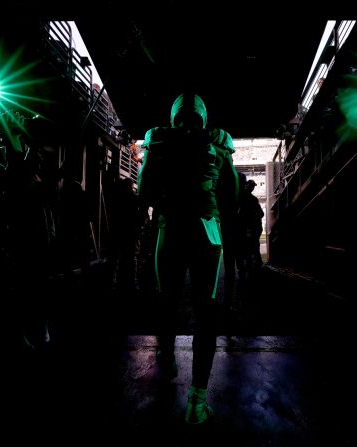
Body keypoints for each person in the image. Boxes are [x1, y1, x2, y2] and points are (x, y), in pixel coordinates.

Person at [138, 93, 238, 425]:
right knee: (205, 313)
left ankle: (167, 352)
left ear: (173, 116)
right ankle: (197, 401)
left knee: (165, 300)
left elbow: (145, 191)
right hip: (206, 231)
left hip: (170, 230)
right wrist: (224, 157)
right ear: (204, 118)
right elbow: (232, 194)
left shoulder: (160, 141)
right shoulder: (218, 144)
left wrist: (152, 151)